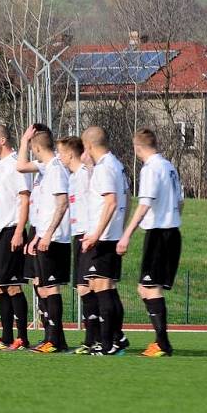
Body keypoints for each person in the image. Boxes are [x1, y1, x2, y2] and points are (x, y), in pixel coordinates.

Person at [117, 129, 182, 357]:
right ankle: (161, 342)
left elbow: (144, 205)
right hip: (171, 231)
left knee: (149, 288)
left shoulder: (151, 169)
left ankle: (162, 344)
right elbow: (180, 202)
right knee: (145, 288)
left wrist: (126, 235)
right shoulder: (169, 167)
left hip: (158, 233)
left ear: (137, 147)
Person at [17, 124, 72, 353]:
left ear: (37, 148)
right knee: (40, 285)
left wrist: (47, 234)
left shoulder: (57, 169)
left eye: (31, 148)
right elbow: (21, 166)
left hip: (55, 237)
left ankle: (54, 340)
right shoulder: (44, 168)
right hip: (42, 235)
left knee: (50, 288)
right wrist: (23, 141)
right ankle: (54, 338)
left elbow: (62, 203)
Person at [80, 126, 129, 355]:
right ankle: (117, 339)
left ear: (88, 146)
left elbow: (110, 202)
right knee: (103, 286)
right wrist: (122, 229)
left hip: (103, 237)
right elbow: (126, 199)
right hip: (111, 234)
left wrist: (96, 235)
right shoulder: (117, 165)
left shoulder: (104, 168)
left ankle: (108, 344)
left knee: (102, 287)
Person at [0, 125, 32, 350]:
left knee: (12, 286)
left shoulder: (15, 164)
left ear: (2, 140)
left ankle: (22, 337)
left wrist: (19, 230)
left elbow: (24, 198)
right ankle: (6, 337)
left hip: (9, 230)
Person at [56, 136, 97, 354]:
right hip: (77, 234)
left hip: (89, 235)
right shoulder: (72, 177)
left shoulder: (85, 175)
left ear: (70, 154)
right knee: (82, 288)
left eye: (60, 153)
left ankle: (97, 338)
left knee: (90, 287)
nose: (59, 157)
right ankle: (92, 339)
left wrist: (93, 233)